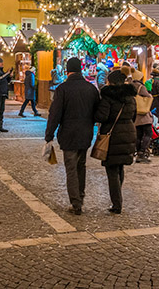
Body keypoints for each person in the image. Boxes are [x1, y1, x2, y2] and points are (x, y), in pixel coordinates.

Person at [44, 57, 100, 215]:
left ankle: (76, 203)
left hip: (68, 134)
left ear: (67, 70)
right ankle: (80, 197)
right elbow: (98, 112)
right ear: (81, 69)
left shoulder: (63, 89)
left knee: (71, 168)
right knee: (81, 166)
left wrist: (49, 135)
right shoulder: (91, 88)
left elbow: (54, 114)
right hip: (86, 134)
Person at [94, 69, 138, 215]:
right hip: (129, 133)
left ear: (110, 81)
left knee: (112, 170)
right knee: (120, 168)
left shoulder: (108, 97)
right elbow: (134, 116)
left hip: (113, 135)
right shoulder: (131, 97)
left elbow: (102, 116)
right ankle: (117, 198)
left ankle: (117, 204)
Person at [128, 67, 154, 164]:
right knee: (148, 133)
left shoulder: (130, 86)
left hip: (135, 113)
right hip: (143, 114)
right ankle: (142, 152)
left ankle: (138, 152)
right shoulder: (140, 87)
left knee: (138, 134)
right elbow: (148, 97)